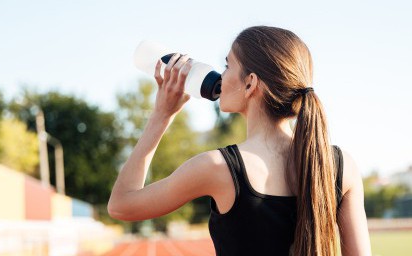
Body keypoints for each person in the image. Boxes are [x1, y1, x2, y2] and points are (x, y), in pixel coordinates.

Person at [108, 26, 372, 256]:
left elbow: (121, 205)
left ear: (250, 84)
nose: (220, 76)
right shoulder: (342, 166)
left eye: (227, 65)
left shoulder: (217, 167)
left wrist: (161, 115)